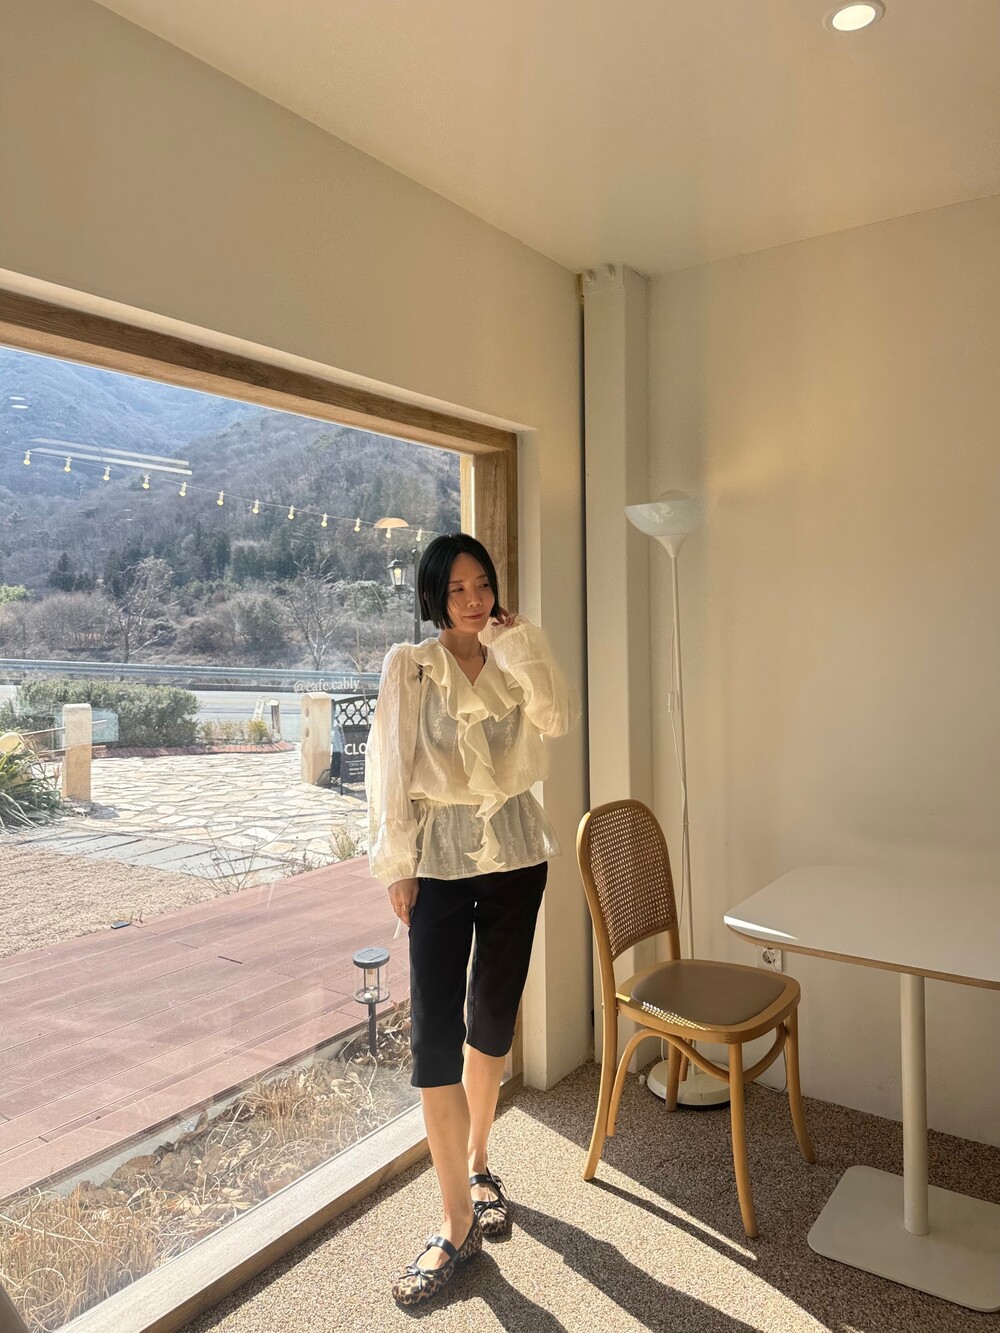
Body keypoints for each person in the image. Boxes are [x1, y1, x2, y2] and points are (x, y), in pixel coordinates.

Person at [365, 531, 579, 1307]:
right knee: (434, 1037)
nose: (472, 598)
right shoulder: (411, 666)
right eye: (456, 588)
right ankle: (455, 1219)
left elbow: (556, 717)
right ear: (433, 595)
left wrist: (518, 644)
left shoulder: (515, 651)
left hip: (517, 854)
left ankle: (480, 1161)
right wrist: (397, 864)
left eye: (481, 583)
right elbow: (389, 767)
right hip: (440, 862)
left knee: (491, 1021)